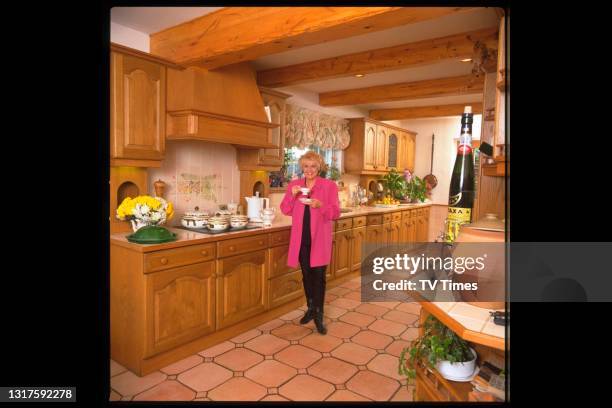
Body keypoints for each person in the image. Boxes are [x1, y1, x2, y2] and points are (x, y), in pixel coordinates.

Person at [280, 151, 340, 334]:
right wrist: (292, 195)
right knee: (306, 275)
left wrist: (320, 206)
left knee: (319, 278)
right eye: (306, 166)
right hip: (301, 239)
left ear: (319, 167)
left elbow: (336, 213)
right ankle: (311, 308)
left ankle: (319, 315)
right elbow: (285, 209)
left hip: (319, 239)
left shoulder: (329, 186)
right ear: (301, 167)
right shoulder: (295, 185)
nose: (309, 170)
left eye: (313, 166)